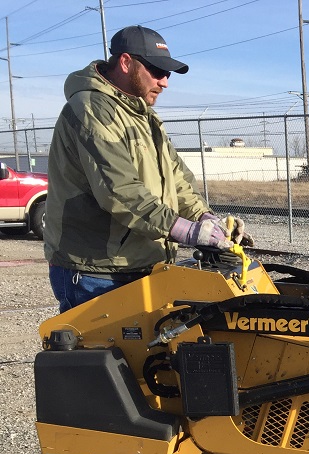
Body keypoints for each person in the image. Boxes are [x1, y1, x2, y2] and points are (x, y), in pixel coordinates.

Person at [44, 25, 247, 313]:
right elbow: (119, 191)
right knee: (101, 345)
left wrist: (206, 219)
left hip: (143, 263)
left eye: (168, 74)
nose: (164, 82)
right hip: (97, 272)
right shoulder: (92, 109)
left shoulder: (144, 115)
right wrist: (189, 232)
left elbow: (177, 179)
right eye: (157, 71)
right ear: (126, 62)